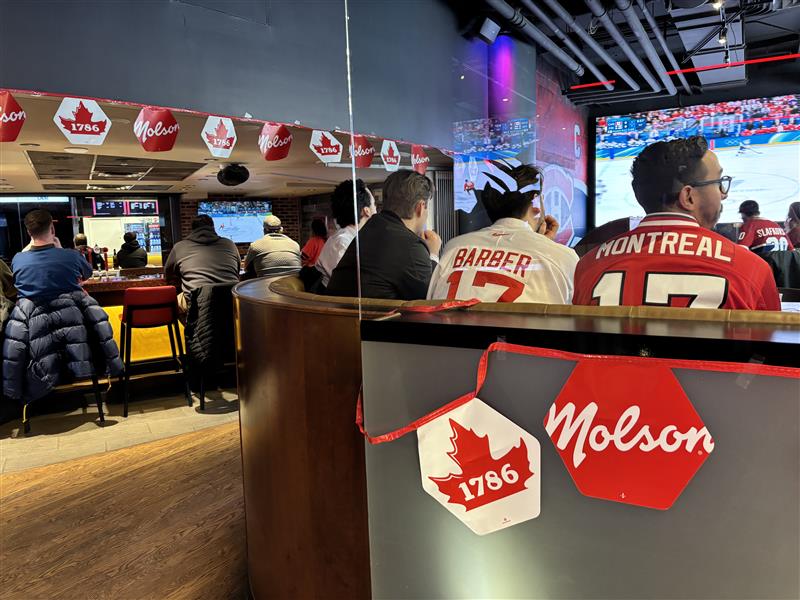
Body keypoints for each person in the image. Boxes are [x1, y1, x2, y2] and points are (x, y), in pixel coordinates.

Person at [572, 136, 780, 310]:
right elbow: (771, 348)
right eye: (718, 183)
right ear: (688, 197)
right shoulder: (751, 268)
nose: (723, 195)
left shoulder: (587, 265)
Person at [427, 161, 578, 304]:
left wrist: (542, 243)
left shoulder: (454, 246)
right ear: (535, 205)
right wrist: (546, 247)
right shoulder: (563, 257)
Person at [326, 170, 441, 300]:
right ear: (420, 207)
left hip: (338, 318)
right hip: (373, 318)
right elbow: (432, 299)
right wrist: (433, 254)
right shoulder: (412, 247)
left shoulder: (370, 228)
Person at [11, 209, 93, 300]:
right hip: (70, 312)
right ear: (52, 229)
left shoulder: (18, 259)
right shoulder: (73, 256)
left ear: (29, 232)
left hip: (29, 313)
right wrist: (61, 250)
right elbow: (88, 274)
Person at [164, 214, 240, 312]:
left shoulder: (179, 247)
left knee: (176, 301)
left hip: (197, 305)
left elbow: (168, 274)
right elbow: (237, 271)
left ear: (192, 229)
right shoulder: (229, 244)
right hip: (230, 302)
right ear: (213, 227)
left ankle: (191, 326)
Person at [315, 179, 376, 288]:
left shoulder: (344, 238)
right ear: (366, 210)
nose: (376, 210)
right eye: (374, 205)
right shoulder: (343, 242)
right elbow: (353, 286)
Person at [243, 215, 302, 279]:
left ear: (264, 231)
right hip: (295, 286)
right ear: (281, 230)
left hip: (265, 286)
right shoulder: (295, 244)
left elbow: (246, 268)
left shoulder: (255, 245)